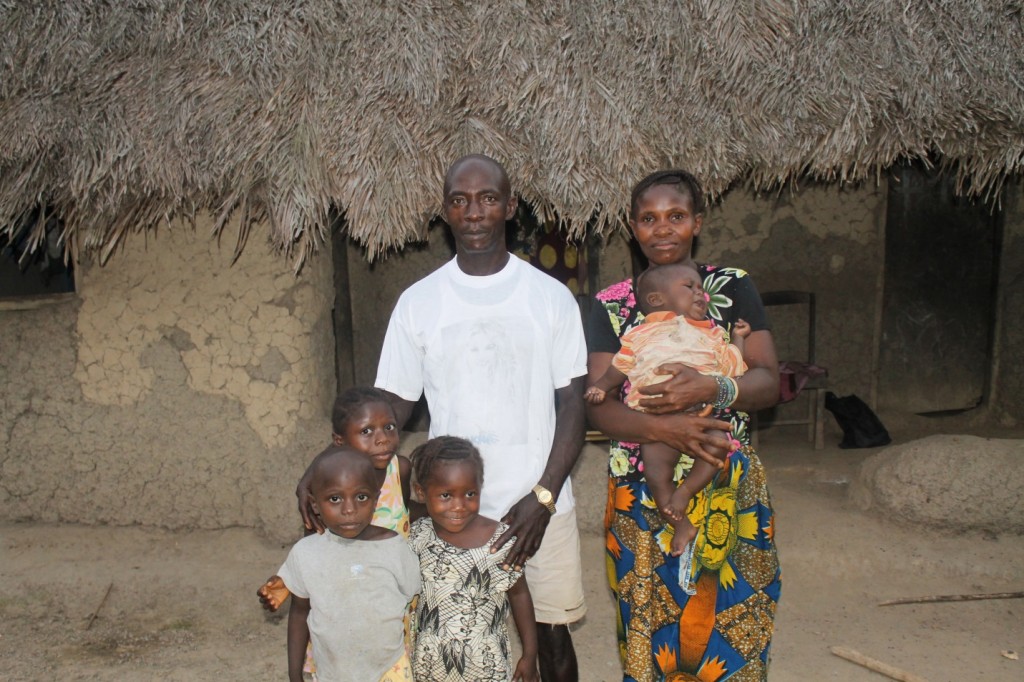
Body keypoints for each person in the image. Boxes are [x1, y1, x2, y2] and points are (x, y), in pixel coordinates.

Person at [361, 153, 588, 681]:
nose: (475, 212)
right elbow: (391, 409)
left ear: (510, 207)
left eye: (488, 198)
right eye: (460, 200)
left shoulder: (550, 298)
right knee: (450, 641)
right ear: (445, 212)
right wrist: (337, 465)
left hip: (541, 503)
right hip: (451, 508)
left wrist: (544, 497)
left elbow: (573, 404)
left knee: (550, 642)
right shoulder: (419, 303)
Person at [586, 170, 782, 681]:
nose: (663, 229)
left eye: (676, 216)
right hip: (639, 482)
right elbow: (598, 405)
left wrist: (711, 389)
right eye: (649, 219)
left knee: (736, 616)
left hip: (725, 476)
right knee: (648, 622)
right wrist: (664, 432)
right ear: (633, 228)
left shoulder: (732, 287)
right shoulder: (610, 304)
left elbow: (766, 380)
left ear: (698, 222)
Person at [584, 262, 750, 557]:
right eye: (690, 287)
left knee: (719, 445)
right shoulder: (639, 334)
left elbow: (731, 365)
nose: (700, 294)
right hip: (654, 419)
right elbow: (620, 366)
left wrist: (738, 337)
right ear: (657, 299)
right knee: (657, 474)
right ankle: (681, 524)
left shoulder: (709, 334)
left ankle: (685, 492)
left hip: (700, 416)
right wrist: (600, 386)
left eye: (701, 288)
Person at [258, 387, 418, 676]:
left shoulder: (400, 469)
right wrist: (287, 583)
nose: (382, 438)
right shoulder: (324, 485)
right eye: (367, 431)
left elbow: (408, 513)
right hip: (343, 596)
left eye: (389, 427)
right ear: (339, 441)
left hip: (388, 594)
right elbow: (312, 556)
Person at [408, 435, 539, 682]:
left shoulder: (499, 542)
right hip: (428, 665)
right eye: (446, 495)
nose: (459, 506)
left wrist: (530, 654)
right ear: (421, 493)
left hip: (484, 666)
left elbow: (520, 594)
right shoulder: (418, 536)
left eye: (469, 493)